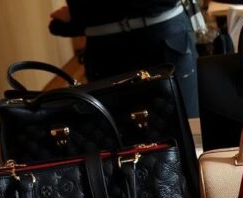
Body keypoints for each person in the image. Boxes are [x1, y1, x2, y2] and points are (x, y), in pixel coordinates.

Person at [49, 1, 199, 117]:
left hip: (161, 37)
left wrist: (82, 14)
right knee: (118, 133)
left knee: (185, 128)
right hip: (106, 48)